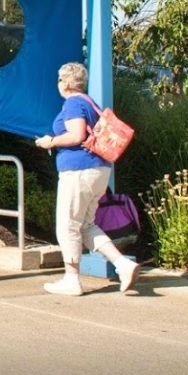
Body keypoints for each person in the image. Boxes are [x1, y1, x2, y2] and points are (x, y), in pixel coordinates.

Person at [35, 62, 140, 296]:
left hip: (78, 172)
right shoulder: (90, 103)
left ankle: (71, 280)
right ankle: (123, 265)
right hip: (99, 171)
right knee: (86, 225)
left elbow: (76, 135)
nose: (59, 84)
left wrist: (50, 141)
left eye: (60, 80)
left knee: (68, 225)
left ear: (66, 82)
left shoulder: (73, 104)